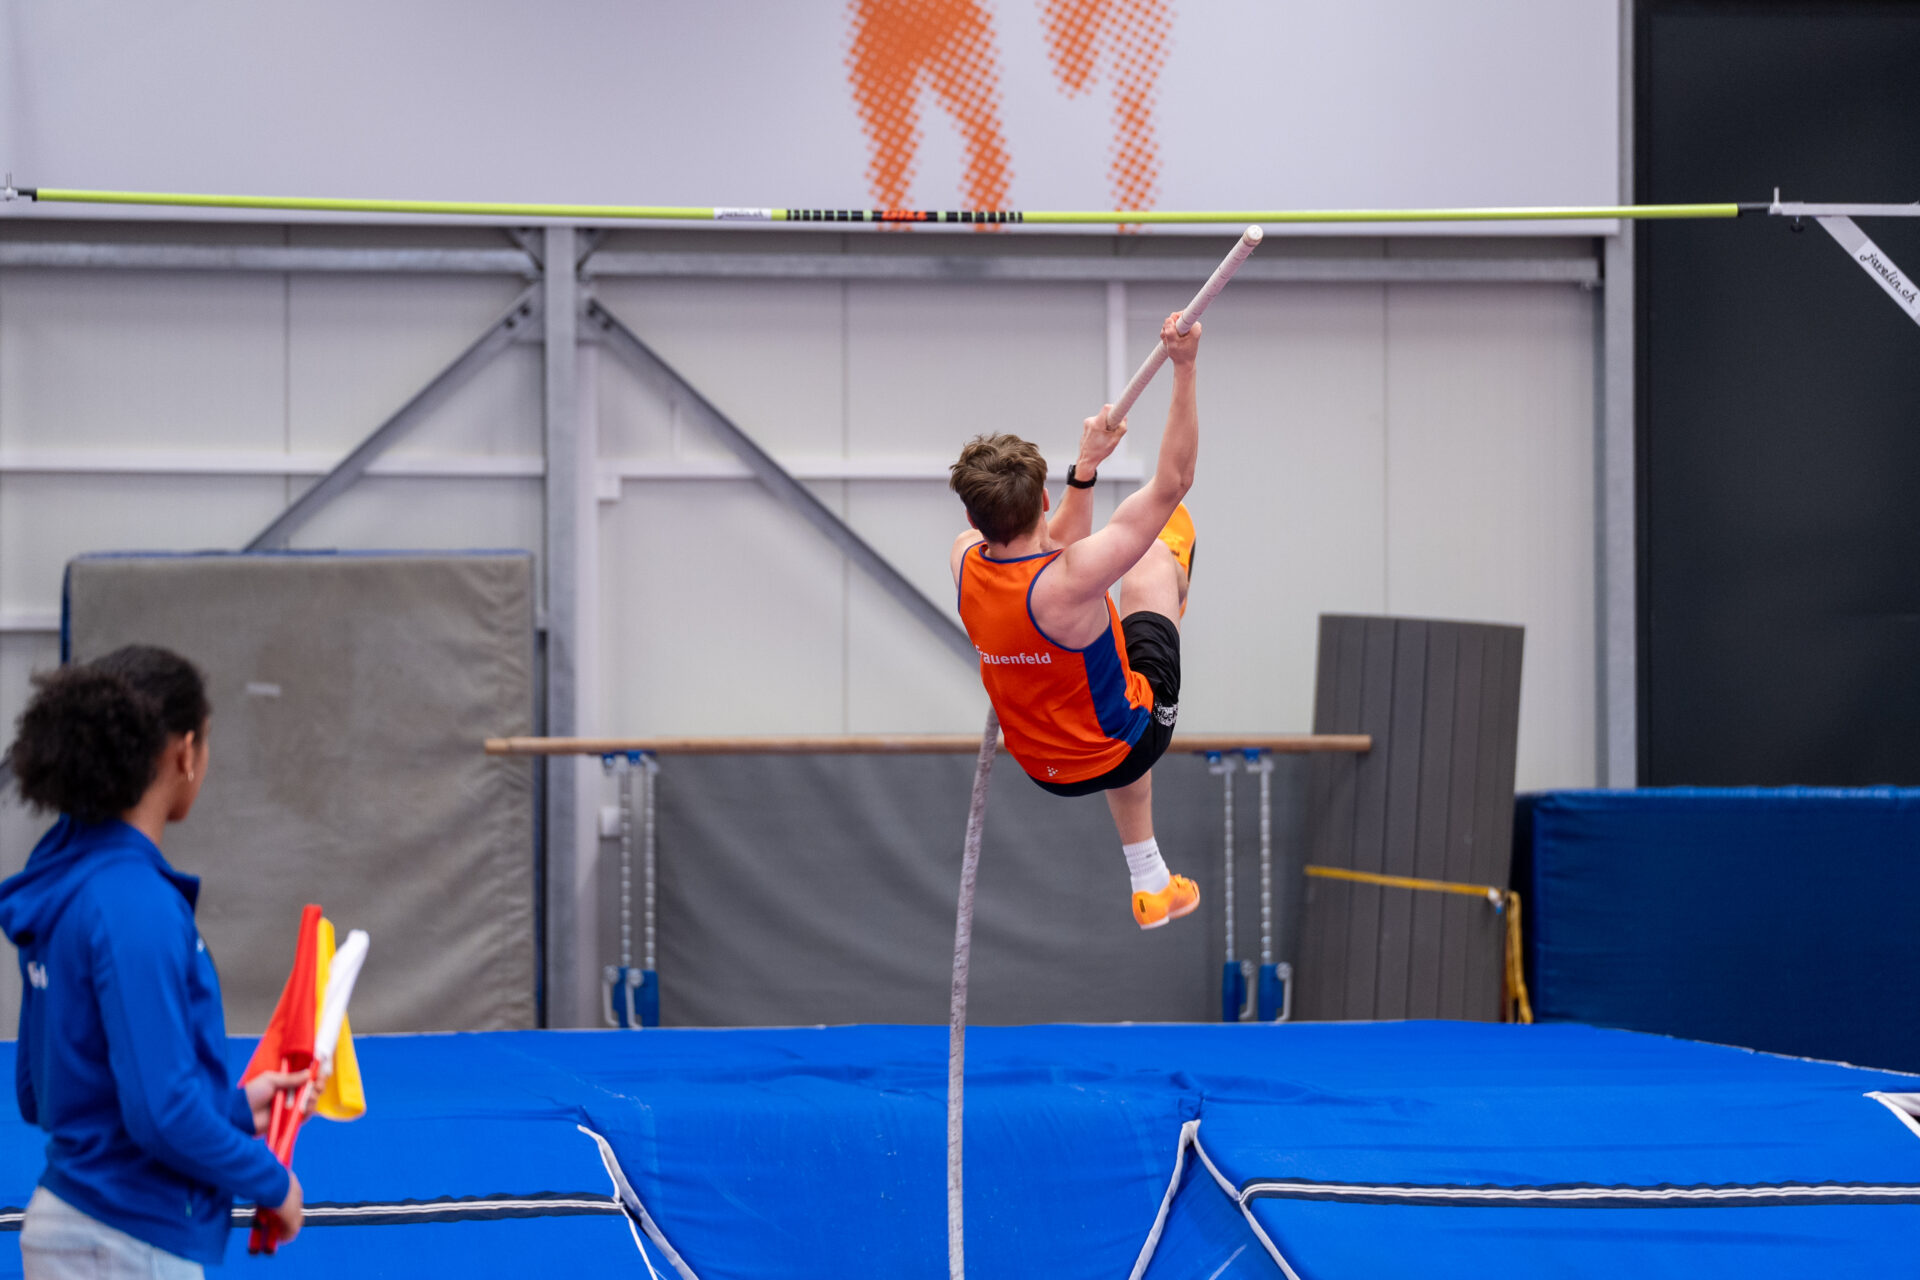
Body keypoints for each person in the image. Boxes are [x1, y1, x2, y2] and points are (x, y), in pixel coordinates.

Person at [0, 646, 307, 1278]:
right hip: (124, 1240)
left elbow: (41, 1093)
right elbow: (162, 1115)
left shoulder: (58, 883)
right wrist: (272, 1181)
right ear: (184, 752)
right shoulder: (135, 903)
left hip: (69, 1229)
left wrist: (233, 1108)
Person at [949, 311, 1202, 929]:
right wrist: (1185, 366)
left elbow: (1049, 544)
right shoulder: (1073, 579)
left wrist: (1086, 468)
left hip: (1045, 767)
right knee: (1156, 552)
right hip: (1131, 740)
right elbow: (1173, 482)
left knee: (1101, 685)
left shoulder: (963, 558)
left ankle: (1150, 882)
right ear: (1040, 499)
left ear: (975, 517)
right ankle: (1173, 593)